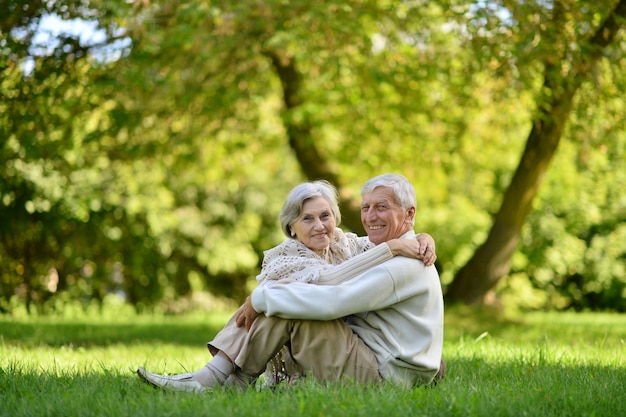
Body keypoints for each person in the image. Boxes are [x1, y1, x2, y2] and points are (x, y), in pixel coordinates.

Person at [138, 174, 443, 391]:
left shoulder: (396, 260)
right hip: (385, 362)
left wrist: (259, 298)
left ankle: (223, 381)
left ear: (409, 213)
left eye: (382, 207)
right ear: (291, 227)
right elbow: (351, 268)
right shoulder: (387, 250)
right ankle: (221, 380)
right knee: (287, 296)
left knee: (287, 303)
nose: (370, 216)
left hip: (383, 374)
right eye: (366, 207)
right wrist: (410, 239)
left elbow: (333, 300)